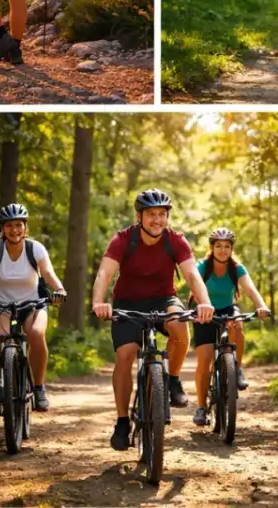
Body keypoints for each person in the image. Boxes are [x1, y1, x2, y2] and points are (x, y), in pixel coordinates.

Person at [90, 189, 214, 451]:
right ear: (139, 217)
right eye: (151, 215)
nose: (157, 220)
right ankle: (123, 420)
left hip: (163, 299)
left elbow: (192, 275)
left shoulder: (176, 241)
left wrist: (204, 302)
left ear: (167, 216)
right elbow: (104, 273)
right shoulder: (123, 239)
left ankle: (172, 380)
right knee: (125, 354)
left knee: (180, 326)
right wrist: (99, 302)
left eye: (162, 214)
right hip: (127, 302)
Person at [0, 203, 67, 415]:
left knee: (36, 333)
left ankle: (39, 388)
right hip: (1, 303)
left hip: (33, 303)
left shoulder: (35, 248)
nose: (14, 230)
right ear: (2, 228)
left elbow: (47, 272)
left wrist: (59, 289)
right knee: (1, 340)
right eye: (9, 225)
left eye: (18, 224)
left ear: (25, 227)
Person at [189, 228, 271, 428]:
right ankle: (201, 407)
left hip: (226, 308)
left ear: (231, 249)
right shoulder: (202, 266)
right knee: (205, 358)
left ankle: (237, 369)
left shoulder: (237, 268)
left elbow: (250, 289)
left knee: (238, 322)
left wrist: (261, 306)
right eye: (218, 246)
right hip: (203, 309)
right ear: (212, 248)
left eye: (227, 246)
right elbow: (194, 285)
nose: (223, 250)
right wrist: (203, 306)